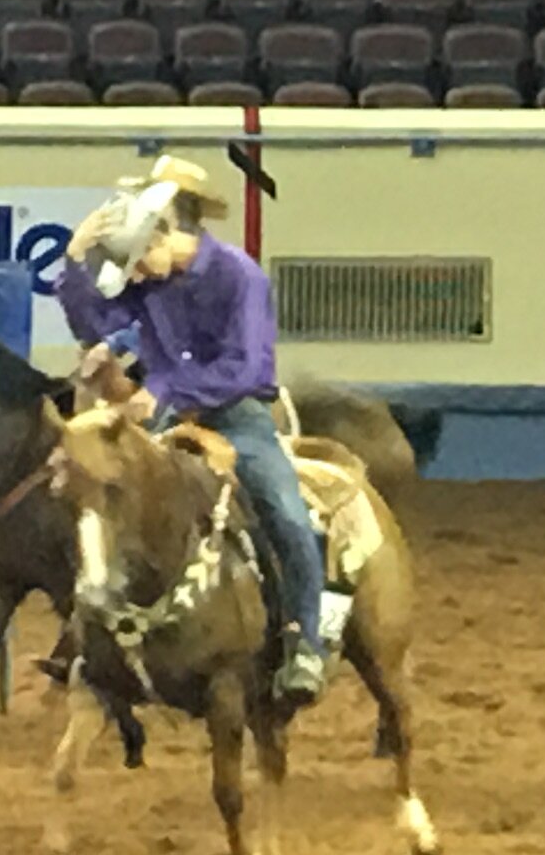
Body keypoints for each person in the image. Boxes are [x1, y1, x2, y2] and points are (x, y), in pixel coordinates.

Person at [49, 154, 332, 707]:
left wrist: (171, 390)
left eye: (138, 259)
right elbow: (96, 323)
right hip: (165, 415)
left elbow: (248, 368)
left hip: (236, 415)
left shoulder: (239, 277)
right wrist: (74, 257)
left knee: (286, 512)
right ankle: (93, 634)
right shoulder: (150, 281)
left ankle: (306, 642)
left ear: (168, 233)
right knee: (104, 497)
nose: (135, 274)